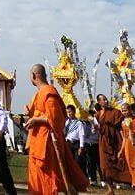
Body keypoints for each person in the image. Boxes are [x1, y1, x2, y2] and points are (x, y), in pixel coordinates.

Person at [24, 64, 89, 194]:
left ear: (33, 76)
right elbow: (41, 113)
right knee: (43, 177)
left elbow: (57, 119)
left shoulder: (49, 92)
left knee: (53, 176)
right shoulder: (39, 94)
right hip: (39, 142)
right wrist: (31, 114)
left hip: (48, 143)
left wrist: (37, 120)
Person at [95, 93, 131, 193]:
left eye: (106, 99)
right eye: (103, 100)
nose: (106, 101)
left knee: (119, 162)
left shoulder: (115, 112)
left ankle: (132, 182)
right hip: (103, 142)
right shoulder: (97, 114)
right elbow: (97, 128)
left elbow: (120, 127)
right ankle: (110, 189)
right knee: (104, 166)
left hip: (115, 140)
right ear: (99, 102)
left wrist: (123, 138)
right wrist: (95, 128)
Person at [65, 105, 86, 172]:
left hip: (76, 144)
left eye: (70, 111)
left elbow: (81, 135)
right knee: (69, 162)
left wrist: (81, 147)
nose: (69, 113)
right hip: (68, 143)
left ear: (74, 112)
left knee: (78, 162)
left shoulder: (79, 123)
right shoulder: (66, 122)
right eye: (67, 112)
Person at [84, 110, 102, 186]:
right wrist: (90, 126)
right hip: (89, 144)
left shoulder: (98, 124)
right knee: (91, 162)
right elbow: (85, 135)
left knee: (99, 162)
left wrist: (95, 127)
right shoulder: (86, 124)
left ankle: (103, 179)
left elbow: (99, 132)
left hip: (97, 144)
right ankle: (93, 179)